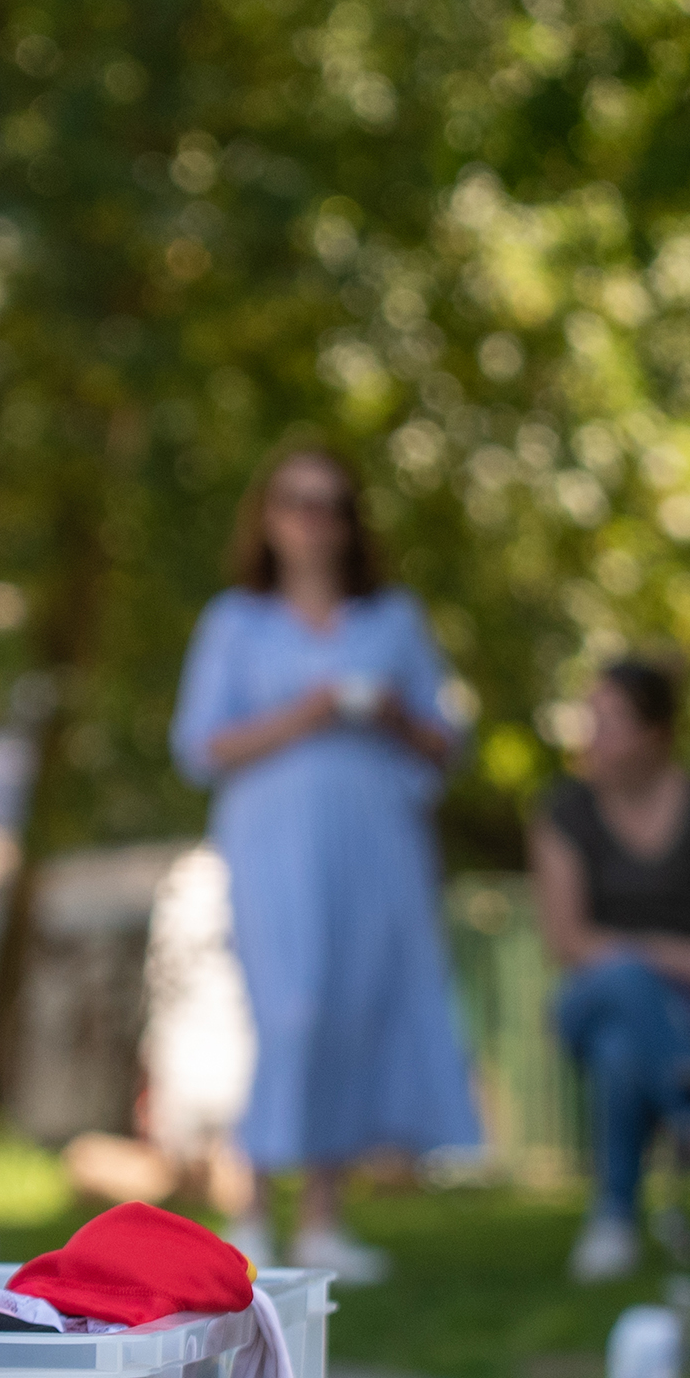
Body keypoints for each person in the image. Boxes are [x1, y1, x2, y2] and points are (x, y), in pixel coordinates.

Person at [171, 442, 480, 1280]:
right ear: (268, 518)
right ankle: (248, 1211)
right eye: (296, 502)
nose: (313, 521)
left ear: (351, 522)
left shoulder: (393, 621)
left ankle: (322, 1220)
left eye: (330, 504)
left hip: (377, 845)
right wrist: (306, 712)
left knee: (350, 1012)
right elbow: (201, 745)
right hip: (272, 847)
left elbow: (446, 743)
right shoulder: (236, 623)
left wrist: (389, 714)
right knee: (291, 1011)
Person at [531, 659, 690, 1284]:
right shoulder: (565, 813)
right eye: (592, 719)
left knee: (622, 1050)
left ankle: (614, 1221)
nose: (593, 736)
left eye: (611, 722)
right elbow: (568, 941)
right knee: (623, 978)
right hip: (590, 998)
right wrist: (675, 956)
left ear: (655, 734)